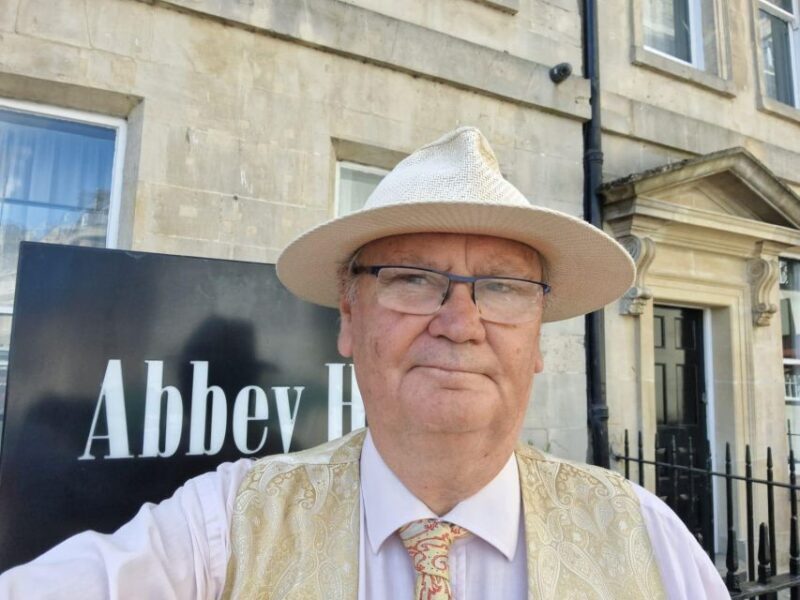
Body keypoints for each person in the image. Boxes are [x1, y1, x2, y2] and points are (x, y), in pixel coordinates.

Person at [0, 127, 728, 599]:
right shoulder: (224, 527)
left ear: (538, 340)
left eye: (502, 288)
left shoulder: (644, 538)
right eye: (413, 278)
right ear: (349, 316)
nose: (460, 323)